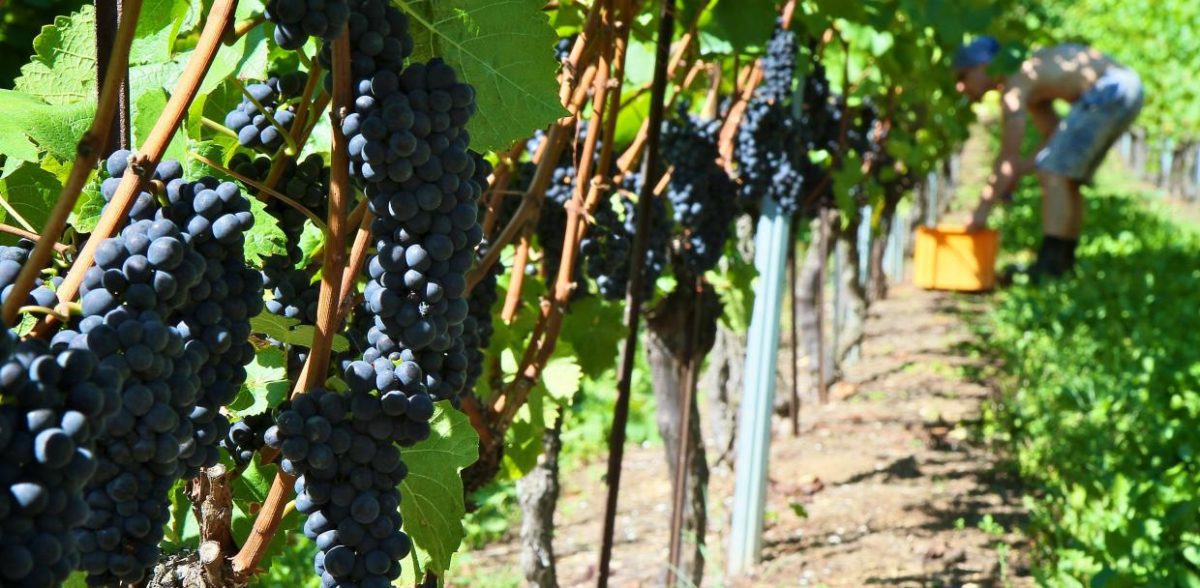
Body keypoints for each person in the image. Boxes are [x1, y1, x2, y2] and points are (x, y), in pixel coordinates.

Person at [953, 36, 1144, 280]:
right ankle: (1063, 261)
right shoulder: (1031, 80)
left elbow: (1007, 159)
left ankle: (1050, 266)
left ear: (984, 67)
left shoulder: (1015, 85)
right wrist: (1019, 170)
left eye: (963, 76)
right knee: (1064, 175)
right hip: (1127, 85)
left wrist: (979, 215)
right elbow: (1052, 137)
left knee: (1054, 173)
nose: (960, 87)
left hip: (1110, 88)